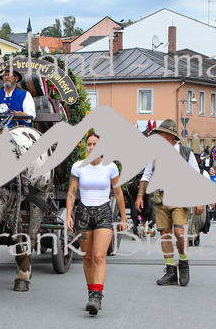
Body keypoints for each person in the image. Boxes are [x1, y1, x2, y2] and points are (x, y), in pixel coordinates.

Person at [134, 119, 205, 286]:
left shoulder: (186, 153)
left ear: (169, 136)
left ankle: (184, 263)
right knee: (165, 234)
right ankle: (170, 270)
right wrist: (139, 195)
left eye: (159, 134)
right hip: (160, 198)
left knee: (180, 233)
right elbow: (147, 176)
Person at [66, 132, 128, 316]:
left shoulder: (110, 167)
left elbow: (118, 194)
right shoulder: (78, 167)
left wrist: (124, 218)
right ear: (85, 147)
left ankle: (96, 295)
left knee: (99, 257)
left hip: (103, 214)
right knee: (87, 257)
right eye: (89, 144)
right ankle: (90, 291)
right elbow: (72, 191)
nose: (92, 148)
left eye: (96, 145)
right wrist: (69, 215)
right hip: (83, 214)